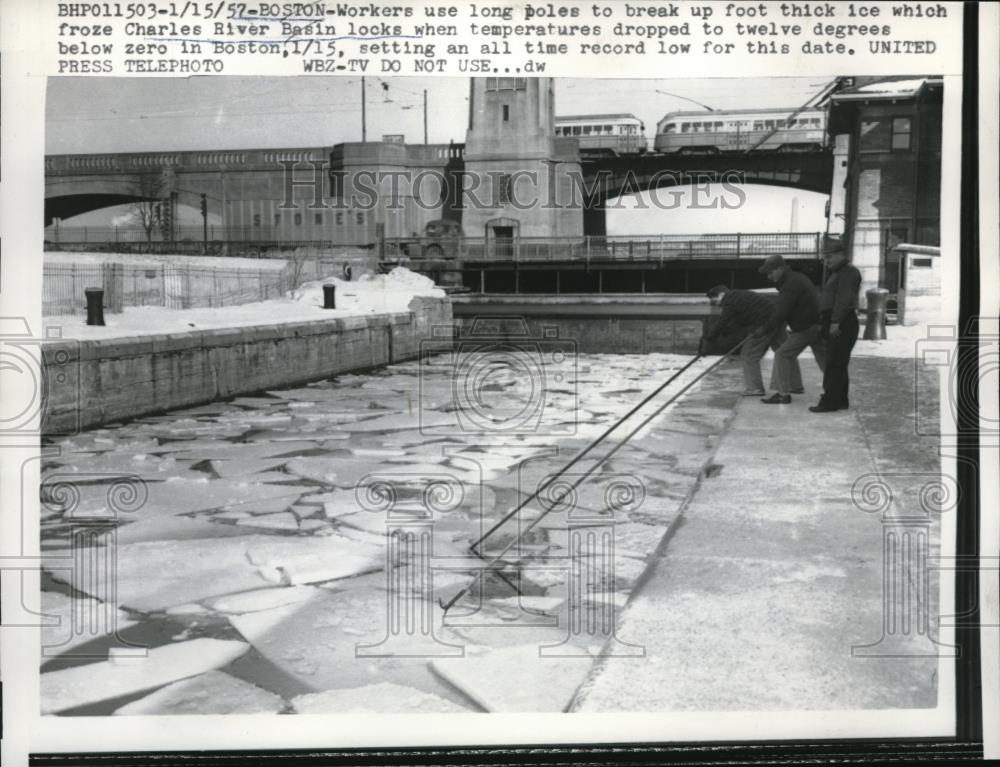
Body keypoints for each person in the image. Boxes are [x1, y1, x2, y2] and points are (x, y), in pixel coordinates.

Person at [756, 254, 825, 405]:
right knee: (825, 362)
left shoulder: (790, 284)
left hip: (806, 328)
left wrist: (763, 330)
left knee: (782, 354)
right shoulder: (797, 278)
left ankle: (783, 395)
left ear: (780, 268)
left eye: (771, 272)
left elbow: (781, 312)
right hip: (818, 325)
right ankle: (835, 392)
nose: (769, 276)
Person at [700, 285, 785, 396]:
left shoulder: (729, 300)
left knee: (748, 355)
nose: (715, 304)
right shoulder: (739, 296)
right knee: (784, 353)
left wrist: (708, 342)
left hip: (764, 325)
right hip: (778, 320)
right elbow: (737, 322)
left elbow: (721, 323)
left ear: (721, 295)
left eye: (714, 300)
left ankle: (755, 389)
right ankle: (794, 386)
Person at [810, 237, 862, 412]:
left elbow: (843, 299)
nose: (826, 261)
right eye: (825, 257)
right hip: (837, 321)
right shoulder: (840, 273)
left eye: (829, 257)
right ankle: (840, 400)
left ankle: (830, 402)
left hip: (842, 322)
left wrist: (835, 322)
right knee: (838, 363)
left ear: (841, 255)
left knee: (833, 364)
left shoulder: (848, 272)